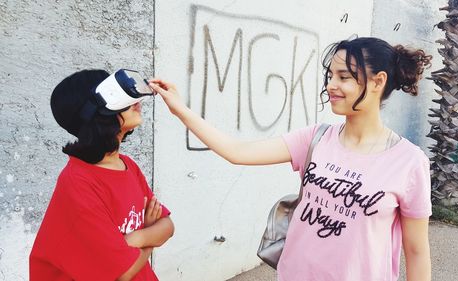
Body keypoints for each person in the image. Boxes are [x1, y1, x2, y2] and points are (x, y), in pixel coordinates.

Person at [149, 37, 433, 281]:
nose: (331, 85)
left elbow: (417, 251)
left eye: (344, 77)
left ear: (377, 82)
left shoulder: (408, 162)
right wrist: (180, 110)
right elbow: (238, 152)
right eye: (330, 75)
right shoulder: (316, 138)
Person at [30, 69, 174, 281]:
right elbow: (122, 274)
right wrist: (150, 235)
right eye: (116, 95)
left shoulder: (127, 166)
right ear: (97, 114)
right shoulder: (78, 182)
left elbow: (167, 226)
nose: (135, 100)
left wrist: (135, 238)